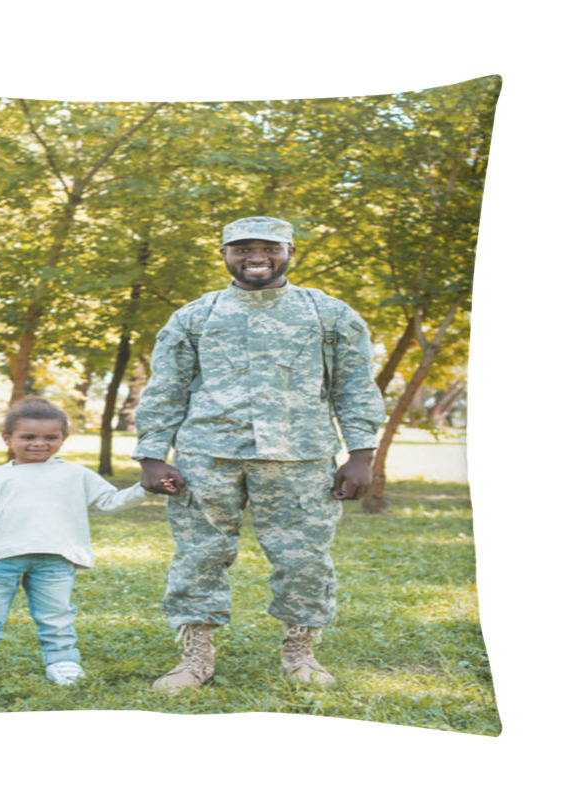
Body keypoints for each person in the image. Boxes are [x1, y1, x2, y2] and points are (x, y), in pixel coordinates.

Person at [133, 216, 386, 692]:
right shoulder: (195, 316)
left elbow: (354, 387)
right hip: (207, 456)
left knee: (305, 559)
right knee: (199, 556)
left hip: (301, 457)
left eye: (268, 248)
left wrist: (361, 455)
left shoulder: (328, 314)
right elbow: (165, 388)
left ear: (291, 251)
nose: (256, 257)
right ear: (223, 254)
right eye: (242, 247)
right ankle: (195, 659)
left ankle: (300, 654)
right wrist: (152, 455)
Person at [0, 398, 155, 685]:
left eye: (50, 437)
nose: (39, 444)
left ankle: (62, 661)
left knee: (56, 615)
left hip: (55, 558)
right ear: (7, 438)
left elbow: (109, 501)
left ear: (63, 439)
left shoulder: (75, 474)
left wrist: (145, 487)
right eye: (28, 437)